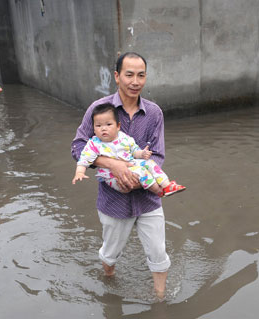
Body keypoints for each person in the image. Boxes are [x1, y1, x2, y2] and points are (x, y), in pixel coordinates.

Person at [71, 52, 172, 298]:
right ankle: (109, 280)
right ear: (117, 77)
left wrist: (139, 178)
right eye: (129, 75)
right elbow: (78, 148)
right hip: (113, 201)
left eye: (141, 75)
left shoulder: (154, 113)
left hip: (148, 198)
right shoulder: (99, 109)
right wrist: (113, 166)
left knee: (158, 252)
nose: (135, 81)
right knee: (111, 253)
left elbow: (157, 154)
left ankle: (160, 300)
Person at [72, 103, 186, 197]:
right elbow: (84, 159)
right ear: (94, 129)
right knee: (142, 172)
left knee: (150, 163)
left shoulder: (124, 138)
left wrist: (142, 153)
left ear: (118, 126)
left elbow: (134, 151)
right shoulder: (94, 144)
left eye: (108, 124)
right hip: (112, 177)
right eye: (98, 126)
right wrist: (80, 172)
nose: (103, 128)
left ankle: (167, 185)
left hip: (131, 165)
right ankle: (158, 191)